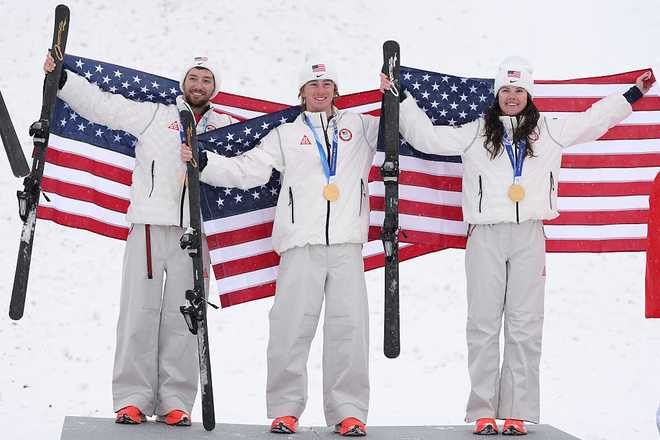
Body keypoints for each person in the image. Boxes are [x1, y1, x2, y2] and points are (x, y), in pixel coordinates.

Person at [382, 57, 652, 435]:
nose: (512, 96)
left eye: (519, 90)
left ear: (529, 95)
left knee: (525, 326)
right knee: (483, 324)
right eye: (506, 90)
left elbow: (594, 119)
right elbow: (428, 138)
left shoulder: (550, 131)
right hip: (485, 235)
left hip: (529, 235)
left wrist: (632, 93)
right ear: (497, 94)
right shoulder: (477, 131)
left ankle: (516, 412)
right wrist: (402, 98)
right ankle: (483, 411)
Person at [182, 54, 379, 436]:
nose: (320, 92)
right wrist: (204, 163)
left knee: (350, 330)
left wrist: (396, 97)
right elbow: (248, 170)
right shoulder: (286, 134)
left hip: (346, 247)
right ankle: (285, 410)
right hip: (299, 246)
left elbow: (400, 129)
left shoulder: (360, 127)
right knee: (290, 328)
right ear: (301, 94)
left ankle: (348, 412)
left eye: (326, 85)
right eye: (312, 86)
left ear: (336, 91)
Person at [44, 53, 238, 426]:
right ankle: (132, 398)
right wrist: (63, 78)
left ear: (216, 88)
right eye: (193, 78)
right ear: (183, 82)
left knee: (185, 319)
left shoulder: (224, 128)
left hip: (193, 235)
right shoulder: (155, 115)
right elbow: (103, 107)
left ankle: (176, 401)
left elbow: (241, 170)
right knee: (138, 313)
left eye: (207, 80)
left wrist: (206, 160)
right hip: (148, 229)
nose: (199, 85)